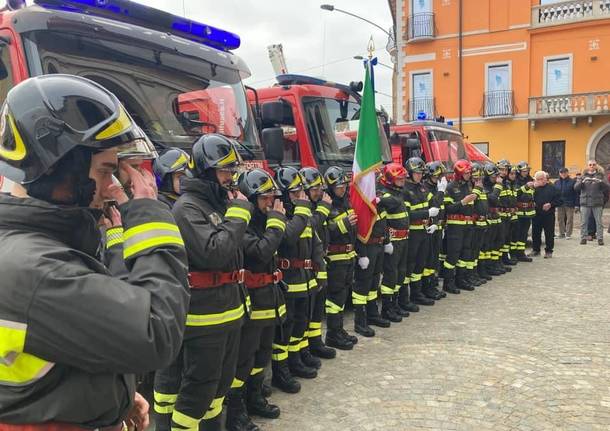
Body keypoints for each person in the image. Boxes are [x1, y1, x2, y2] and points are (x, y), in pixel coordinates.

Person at [0, 75, 189, 429]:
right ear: (61, 170)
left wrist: (108, 396)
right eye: (105, 171)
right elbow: (156, 331)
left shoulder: (34, 246)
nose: (112, 187)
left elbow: (58, 344)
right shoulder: (34, 269)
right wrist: (149, 214)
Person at [166, 134, 253, 431]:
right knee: (197, 391)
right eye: (226, 171)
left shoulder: (217, 205)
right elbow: (214, 253)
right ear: (206, 171)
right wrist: (240, 215)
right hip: (204, 319)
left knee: (218, 389)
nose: (232, 178)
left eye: (233, 170)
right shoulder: (187, 208)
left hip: (228, 314)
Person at [226, 169, 287, 431]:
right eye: (264, 198)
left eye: (272, 197)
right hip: (251, 302)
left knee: (262, 354)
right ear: (251, 199)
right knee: (244, 358)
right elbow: (261, 253)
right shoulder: (244, 227)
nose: (270, 202)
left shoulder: (264, 220)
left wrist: (273, 221)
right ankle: (236, 411)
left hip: (269, 299)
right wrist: (276, 222)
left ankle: (255, 397)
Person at [272, 167, 325, 391]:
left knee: (301, 323)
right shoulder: (279, 213)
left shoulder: (303, 213)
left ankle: (298, 358)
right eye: (294, 193)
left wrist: (319, 271)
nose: (299, 196)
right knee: (286, 327)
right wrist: (302, 212)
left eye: (300, 191)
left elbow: (316, 243)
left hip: (305, 277)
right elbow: (286, 239)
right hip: (288, 280)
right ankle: (281, 370)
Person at [299, 167, 335, 361]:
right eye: (314, 188)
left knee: (317, 308)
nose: (319, 192)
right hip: (307, 267)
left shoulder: (317, 205)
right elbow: (309, 223)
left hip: (319, 262)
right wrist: (322, 210)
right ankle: (305, 349)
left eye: (320, 188)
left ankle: (315, 342)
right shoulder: (304, 208)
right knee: (306, 312)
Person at [323, 166, 359, 350]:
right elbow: (325, 233)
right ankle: (332, 334)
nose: (342, 189)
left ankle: (339, 330)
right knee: (334, 297)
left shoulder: (345, 202)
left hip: (348, 256)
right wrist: (344, 224)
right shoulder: (327, 205)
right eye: (338, 187)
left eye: (344, 186)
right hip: (335, 258)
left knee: (343, 295)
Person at [378, 163, 411, 323]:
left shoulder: (397, 193)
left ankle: (395, 303)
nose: (402, 181)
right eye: (399, 179)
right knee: (390, 275)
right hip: (393, 241)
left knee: (400, 272)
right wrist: (387, 241)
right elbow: (384, 219)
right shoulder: (386, 196)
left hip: (404, 239)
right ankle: (387, 308)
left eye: (403, 178)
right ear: (390, 179)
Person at [403, 157, 438, 305]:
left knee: (420, 264)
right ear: (410, 173)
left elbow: (433, 205)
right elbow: (408, 215)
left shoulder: (422, 188)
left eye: (421, 173)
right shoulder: (406, 190)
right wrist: (427, 214)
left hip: (424, 231)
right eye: (416, 173)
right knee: (409, 266)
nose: (419, 175)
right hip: (413, 233)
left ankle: (417, 294)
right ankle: (404, 299)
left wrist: (433, 222)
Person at [443, 159, 478, 292]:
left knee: (465, 253)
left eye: (470, 172)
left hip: (468, 225)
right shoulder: (451, 187)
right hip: (455, 227)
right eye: (466, 173)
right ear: (459, 173)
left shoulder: (468, 185)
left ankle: (460, 279)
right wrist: (463, 202)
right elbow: (448, 208)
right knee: (453, 255)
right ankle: (448, 283)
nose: (469, 175)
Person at [575, 160, 609, 245]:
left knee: (599, 222)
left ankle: (600, 239)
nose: (592, 166)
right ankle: (583, 238)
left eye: (593, 165)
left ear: (596, 166)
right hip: (585, 202)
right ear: (587, 166)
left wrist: (600, 182)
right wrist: (582, 182)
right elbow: (576, 188)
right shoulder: (583, 176)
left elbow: (608, 187)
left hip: (597, 202)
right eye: (590, 165)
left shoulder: (601, 176)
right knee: (583, 222)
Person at [531, 171, 562, 258]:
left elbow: (560, 201)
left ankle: (549, 251)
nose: (541, 181)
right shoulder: (533, 188)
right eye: (539, 179)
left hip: (549, 214)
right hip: (536, 214)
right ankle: (536, 250)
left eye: (543, 179)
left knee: (549, 233)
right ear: (536, 180)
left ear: (546, 179)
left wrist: (551, 204)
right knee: (535, 233)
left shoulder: (553, 188)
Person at [514, 161, 535, 260]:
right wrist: (525, 187)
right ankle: (515, 254)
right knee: (516, 234)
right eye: (524, 171)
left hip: (528, 212)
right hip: (518, 212)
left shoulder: (531, 180)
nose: (526, 173)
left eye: (527, 171)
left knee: (524, 234)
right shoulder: (516, 181)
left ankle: (521, 253)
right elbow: (516, 194)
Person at [554, 167, 577, 239]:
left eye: (565, 172)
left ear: (567, 173)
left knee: (569, 219)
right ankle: (561, 233)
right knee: (560, 219)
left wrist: (576, 204)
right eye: (561, 172)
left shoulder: (572, 181)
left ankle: (568, 234)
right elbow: (554, 193)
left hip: (570, 203)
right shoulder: (556, 182)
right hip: (560, 203)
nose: (563, 174)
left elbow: (576, 194)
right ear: (559, 173)